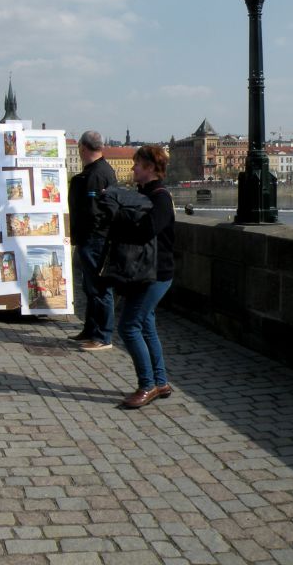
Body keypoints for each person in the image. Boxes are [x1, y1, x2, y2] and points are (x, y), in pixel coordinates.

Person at [114, 145, 174, 409]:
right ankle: (160, 382)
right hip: (145, 272)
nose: (133, 168)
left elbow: (145, 231)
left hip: (157, 273)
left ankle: (147, 385)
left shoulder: (160, 197)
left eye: (137, 164)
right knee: (146, 325)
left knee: (129, 326)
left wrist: (121, 220)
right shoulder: (144, 195)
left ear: (150, 167)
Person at [67, 131, 118, 350]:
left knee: (99, 288)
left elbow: (97, 212)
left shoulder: (97, 174)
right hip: (91, 238)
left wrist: (87, 233)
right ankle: (90, 330)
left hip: (95, 239)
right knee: (90, 288)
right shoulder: (97, 171)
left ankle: (103, 336)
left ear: (83, 149)